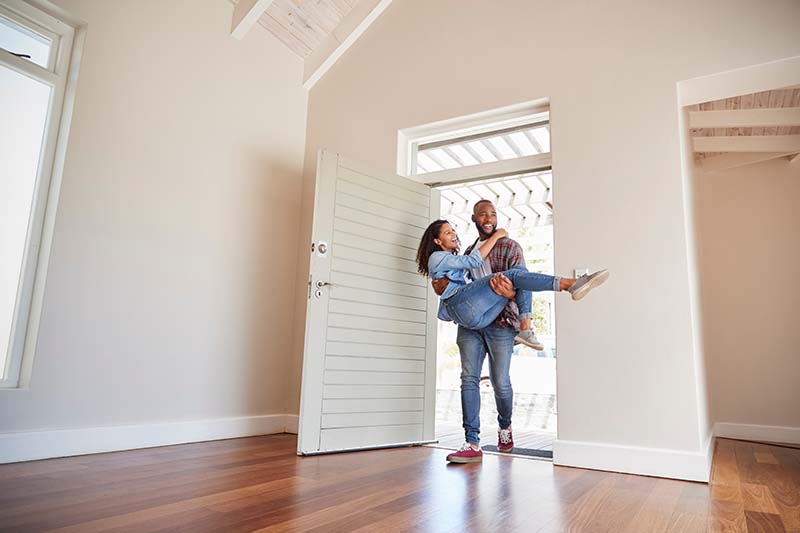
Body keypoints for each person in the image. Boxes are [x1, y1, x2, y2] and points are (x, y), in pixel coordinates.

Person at [425, 200, 608, 463]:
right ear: (474, 219)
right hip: (470, 323)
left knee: (501, 382)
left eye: (493, 214)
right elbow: (460, 282)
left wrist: (510, 295)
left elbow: (522, 281)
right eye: (483, 214)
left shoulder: (509, 246)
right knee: (468, 379)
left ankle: (505, 426)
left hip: (499, 321)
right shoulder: (467, 252)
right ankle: (472, 443)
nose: (489, 219)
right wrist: (442, 285)